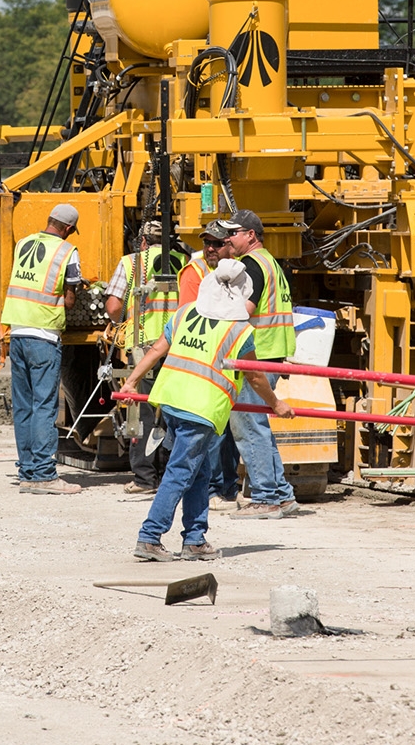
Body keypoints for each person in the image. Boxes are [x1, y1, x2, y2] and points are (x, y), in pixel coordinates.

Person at [124, 258, 294, 561]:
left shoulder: (185, 313)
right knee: (179, 473)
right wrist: (277, 404)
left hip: (172, 400)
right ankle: (150, 536)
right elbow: (255, 376)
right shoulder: (238, 331)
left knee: (200, 473)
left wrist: (132, 382)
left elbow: (157, 349)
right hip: (199, 409)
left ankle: (194, 539)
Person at [223, 208, 301, 519]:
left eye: (234, 233)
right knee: (260, 424)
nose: (228, 238)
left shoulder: (251, 265)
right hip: (275, 350)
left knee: (248, 424)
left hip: (259, 352)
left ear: (250, 235)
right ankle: (281, 495)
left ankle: (266, 497)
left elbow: (243, 309)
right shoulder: (271, 263)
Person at [0, 203, 83, 495]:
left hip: (18, 332)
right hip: (44, 334)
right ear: (68, 229)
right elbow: (70, 300)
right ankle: (44, 475)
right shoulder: (67, 252)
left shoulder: (23, 243)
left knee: (24, 405)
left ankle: (28, 472)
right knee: (44, 405)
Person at [105, 220, 183, 496]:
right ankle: (173, 474)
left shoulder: (131, 263)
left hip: (145, 346)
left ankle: (145, 478)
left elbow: (114, 307)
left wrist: (123, 318)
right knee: (176, 408)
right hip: (181, 346)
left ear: (142, 242)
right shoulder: (184, 261)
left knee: (144, 410)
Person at [177, 221, 241, 508]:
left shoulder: (238, 271)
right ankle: (213, 489)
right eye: (207, 244)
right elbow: (192, 317)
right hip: (206, 360)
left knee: (229, 429)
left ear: (229, 244)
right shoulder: (196, 273)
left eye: (216, 243)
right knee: (214, 428)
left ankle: (228, 485)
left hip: (231, 357)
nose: (210, 249)